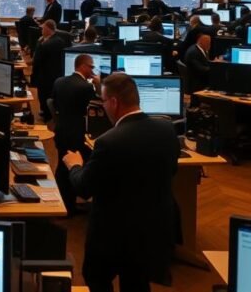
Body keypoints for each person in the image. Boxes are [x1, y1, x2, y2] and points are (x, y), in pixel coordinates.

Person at [62, 73, 180, 292]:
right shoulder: (167, 130)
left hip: (113, 234)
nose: (103, 106)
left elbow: (84, 188)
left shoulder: (108, 142)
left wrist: (74, 165)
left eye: (103, 101)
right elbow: (171, 171)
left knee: (95, 277)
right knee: (137, 283)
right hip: (153, 230)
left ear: (114, 102)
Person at [52, 54, 98, 213]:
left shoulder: (59, 81)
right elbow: (97, 107)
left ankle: (64, 202)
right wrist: (98, 85)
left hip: (60, 131)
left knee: (62, 166)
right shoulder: (86, 87)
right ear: (82, 66)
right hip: (77, 134)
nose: (93, 70)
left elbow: (54, 103)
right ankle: (69, 207)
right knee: (74, 166)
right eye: (91, 67)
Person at [32, 20, 66, 121]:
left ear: (47, 29)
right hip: (58, 75)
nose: (41, 30)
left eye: (43, 28)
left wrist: (39, 43)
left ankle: (45, 116)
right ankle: (50, 115)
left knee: (43, 96)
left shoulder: (44, 44)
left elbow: (36, 60)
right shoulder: (61, 41)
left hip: (44, 76)